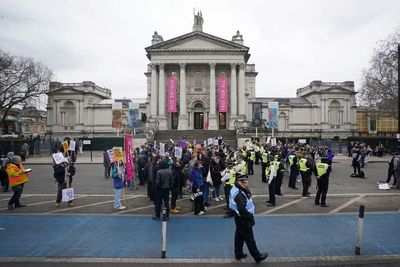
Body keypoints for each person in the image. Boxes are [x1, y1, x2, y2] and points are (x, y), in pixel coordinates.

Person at [229, 174, 268, 263]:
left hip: (238, 217)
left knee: (239, 236)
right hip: (244, 218)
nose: (245, 184)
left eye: (246, 182)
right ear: (238, 182)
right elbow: (242, 209)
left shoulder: (235, 189)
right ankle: (257, 257)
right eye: (243, 182)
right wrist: (249, 216)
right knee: (249, 238)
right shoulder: (239, 194)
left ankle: (238, 253)